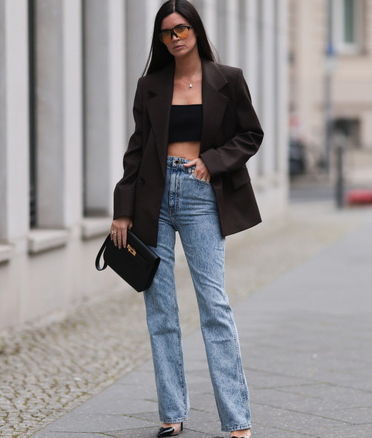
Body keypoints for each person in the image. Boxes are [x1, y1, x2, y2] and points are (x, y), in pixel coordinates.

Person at [110, 1, 262, 436]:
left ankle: (237, 420)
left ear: (196, 29)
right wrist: (122, 209)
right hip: (152, 199)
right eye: (166, 32)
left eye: (181, 29)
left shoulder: (227, 80)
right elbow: (137, 149)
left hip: (201, 196)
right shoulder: (150, 85)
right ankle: (171, 414)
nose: (175, 38)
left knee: (214, 306)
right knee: (160, 308)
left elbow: (250, 134)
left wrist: (213, 160)